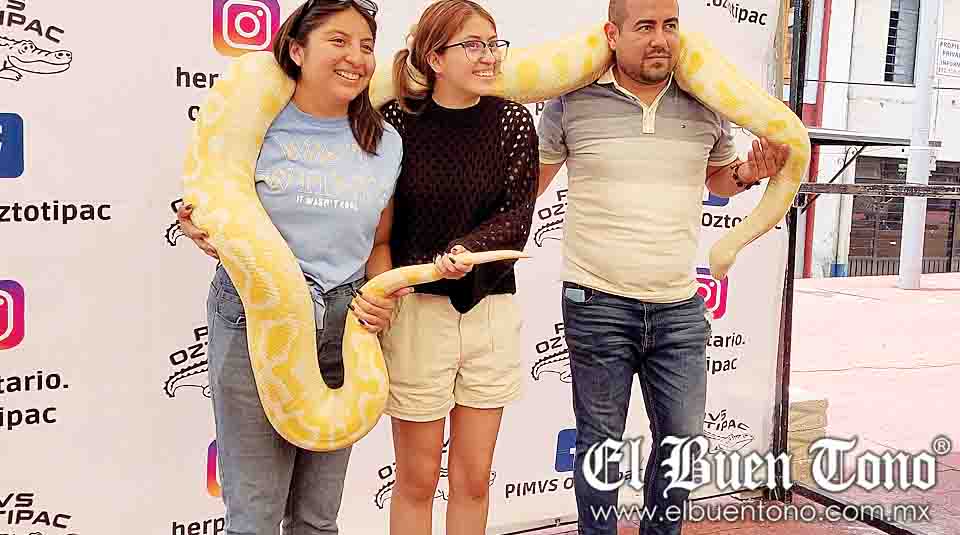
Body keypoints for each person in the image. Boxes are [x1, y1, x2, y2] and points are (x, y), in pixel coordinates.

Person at [535, 0, 790, 534]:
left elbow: (719, 179)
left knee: (683, 448)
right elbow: (529, 188)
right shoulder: (572, 100)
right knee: (600, 449)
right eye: (645, 26)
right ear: (612, 34)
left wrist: (750, 172)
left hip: (679, 306)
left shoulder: (706, 101)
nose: (660, 39)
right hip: (596, 301)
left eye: (670, 26)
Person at [176, 1, 415, 533]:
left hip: (344, 318)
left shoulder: (385, 142)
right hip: (255, 317)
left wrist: (381, 300)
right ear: (297, 50)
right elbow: (214, 194)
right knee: (254, 517)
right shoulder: (255, 125)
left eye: (366, 46)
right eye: (338, 41)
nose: (356, 57)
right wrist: (197, 220)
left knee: (317, 518)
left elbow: (379, 240)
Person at [347, 1, 539, 533]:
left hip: (490, 313)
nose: (488, 56)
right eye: (472, 45)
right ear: (434, 58)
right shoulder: (394, 123)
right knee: (416, 480)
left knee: (473, 481)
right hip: (416, 314)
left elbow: (517, 216)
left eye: (493, 44)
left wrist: (464, 252)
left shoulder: (513, 121)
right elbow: (378, 222)